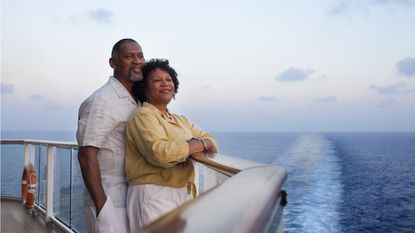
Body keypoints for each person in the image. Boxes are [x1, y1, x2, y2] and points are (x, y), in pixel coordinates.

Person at [125, 59, 218, 231]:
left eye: (168, 80)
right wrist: (193, 146)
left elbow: (211, 141)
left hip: (181, 192)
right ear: (145, 88)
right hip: (153, 193)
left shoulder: (179, 120)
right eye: (157, 80)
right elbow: (161, 153)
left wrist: (192, 146)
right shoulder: (143, 115)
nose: (165, 84)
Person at [76, 38, 144, 233]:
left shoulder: (138, 100)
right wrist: (102, 206)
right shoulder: (101, 101)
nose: (137, 61)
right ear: (113, 63)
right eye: (129, 57)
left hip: (131, 196)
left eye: (140, 56)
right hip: (109, 199)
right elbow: (86, 155)